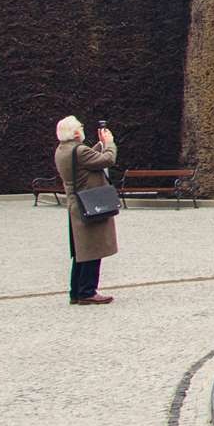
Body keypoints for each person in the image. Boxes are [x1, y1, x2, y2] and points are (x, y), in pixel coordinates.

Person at [55, 116, 118, 305]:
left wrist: (100, 144)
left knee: (81, 251)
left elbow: (86, 159)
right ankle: (87, 291)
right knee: (93, 248)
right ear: (75, 133)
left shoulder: (63, 149)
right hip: (89, 203)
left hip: (76, 203)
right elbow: (108, 159)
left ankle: (76, 291)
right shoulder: (79, 151)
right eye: (81, 127)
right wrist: (109, 143)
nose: (82, 129)